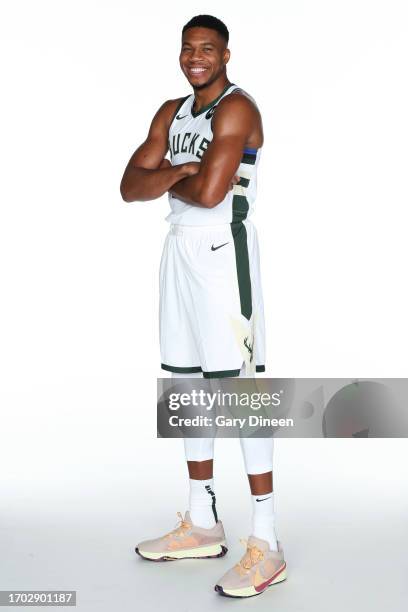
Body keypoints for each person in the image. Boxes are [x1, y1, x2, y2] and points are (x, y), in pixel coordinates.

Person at [120, 14, 286, 598]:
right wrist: (182, 170)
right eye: (188, 48)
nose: (196, 57)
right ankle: (203, 521)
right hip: (178, 252)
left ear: (226, 55)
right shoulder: (171, 112)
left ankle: (266, 543)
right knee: (186, 388)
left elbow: (213, 192)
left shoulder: (237, 109)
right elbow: (126, 185)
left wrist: (167, 174)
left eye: (207, 49)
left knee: (239, 393)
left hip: (223, 254)